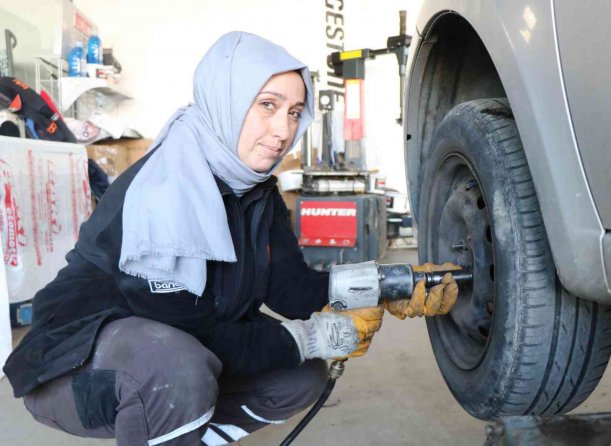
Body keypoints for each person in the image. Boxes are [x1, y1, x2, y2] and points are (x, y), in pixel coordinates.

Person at [2, 32, 458, 445]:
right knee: (176, 367)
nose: (282, 131)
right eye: (267, 105)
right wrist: (314, 336)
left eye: (294, 112)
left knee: (300, 377)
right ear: (227, 98)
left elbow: (293, 289)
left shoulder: (256, 191)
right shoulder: (165, 189)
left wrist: (388, 283)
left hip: (167, 356)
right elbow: (189, 331)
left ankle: (183, 435)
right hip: (76, 368)